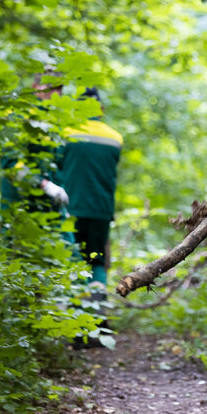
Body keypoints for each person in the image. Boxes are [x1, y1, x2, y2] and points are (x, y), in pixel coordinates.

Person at [57, 87, 123, 311]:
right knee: (97, 261)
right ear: (101, 109)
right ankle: (97, 315)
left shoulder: (66, 133)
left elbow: (57, 167)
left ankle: (77, 321)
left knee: (74, 262)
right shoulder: (115, 138)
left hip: (70, 209)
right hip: (101, 211)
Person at [0, 70, 70, 222]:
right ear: (35, 86)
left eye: (59, 88)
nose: (56, 93)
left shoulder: (56, 121)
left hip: (53, 208)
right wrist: (43, 184)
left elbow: (57, 166)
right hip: (22, 206)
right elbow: (10, 164)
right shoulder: (21, 115)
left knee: (68, 244)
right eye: (50, 88)